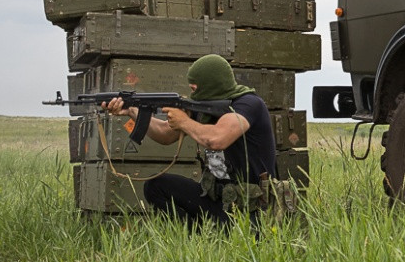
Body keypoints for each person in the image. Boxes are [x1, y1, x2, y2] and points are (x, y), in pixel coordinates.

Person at [103, 54, 276, 228]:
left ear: (211, 85)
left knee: (239, 236)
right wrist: (133, 111)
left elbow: (217, 139)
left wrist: (184, 121)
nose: (192, 93)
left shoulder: (249, 104)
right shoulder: (204, 107)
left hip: (252, 208)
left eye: (194, 88)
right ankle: (193, 236)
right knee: (155, 187)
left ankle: (217, 232)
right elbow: (165, 133)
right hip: (216, 199)